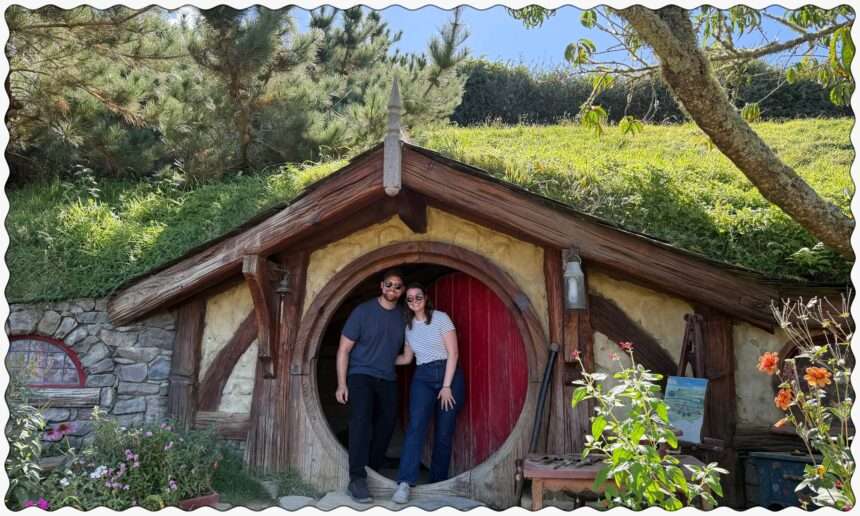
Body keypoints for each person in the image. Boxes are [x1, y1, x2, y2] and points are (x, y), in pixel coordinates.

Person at [335, 268, 406, 503]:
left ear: (402, 290)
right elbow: (344, 349)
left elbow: (405, 354)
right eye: (389, 284)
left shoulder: (403, 317)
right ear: (381, 286)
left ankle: (371, 469)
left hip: (387, 377)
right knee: (361, 422)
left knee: (387, 424)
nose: (392, 289)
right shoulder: (363, 312)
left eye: (397, 286)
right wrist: (341, 384)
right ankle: (356, 478)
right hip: (360, 374)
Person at [391, 283, 465, 504]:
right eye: (410, 299)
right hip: (422, 376)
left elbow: (453, 353)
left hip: (447, 374)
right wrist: (378, 359)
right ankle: (404, 483)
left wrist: (446, 386)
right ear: (406, 303)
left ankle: (437, 483)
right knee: (416, 427)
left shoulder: (441, 318)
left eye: (418, 297)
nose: (414, 301)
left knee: (444, 432)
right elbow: (406, 358)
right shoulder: (408, 327)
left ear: (426, 298)